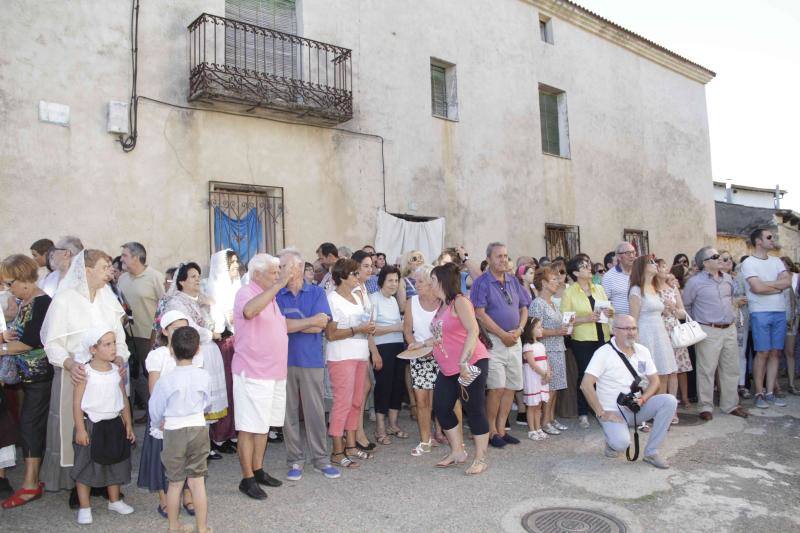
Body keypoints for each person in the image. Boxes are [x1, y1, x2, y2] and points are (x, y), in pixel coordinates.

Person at [40, 249, 129, 508]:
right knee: (79, 429)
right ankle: (79, 482)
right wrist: (68, 362)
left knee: (108, 427)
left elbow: (119, 337)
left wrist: (120, 358)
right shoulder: (65, 299)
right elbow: (52, 341)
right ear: (87, 271)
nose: (110, 272)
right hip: (76, 374)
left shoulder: (107, 297)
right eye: (104, 268)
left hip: (106, 375)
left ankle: (106, 479)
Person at [275, 248, 340, 481]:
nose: (280, 271)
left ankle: (321, 459)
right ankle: (294, 460)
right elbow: (277, 326)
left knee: (315, 411)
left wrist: (293, 323)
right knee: (288, 413)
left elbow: (320, 325)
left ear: (299, 268)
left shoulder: (316, 293)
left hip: (311, 360)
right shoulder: (276, 295)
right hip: (283, 361)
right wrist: (308, 321)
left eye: (284, 266)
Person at [580, 314, 677, 469]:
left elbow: (655, 381)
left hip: (636, 406)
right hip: (612, 410)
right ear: (614, 330)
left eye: (633, 328)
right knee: (621, 444)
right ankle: (612, 443)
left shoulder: (642, 351)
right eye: (625, 329)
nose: (631, 332)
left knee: (669, 401)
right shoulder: (603, 353)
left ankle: (652, 452)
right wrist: (602, 412)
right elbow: (585, 385)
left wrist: (643, 399)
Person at [232, 254, 290, 500]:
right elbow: (249, 311)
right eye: (274, 272)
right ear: (257, 274)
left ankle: (258, 470)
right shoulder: (246, 292)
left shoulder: (271, 297)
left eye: (279, 272)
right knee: (248, 426)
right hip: (253, 372)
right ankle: (246, 478)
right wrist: (278, 286)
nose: (278, 276)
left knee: (263, 425)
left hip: (274, 372)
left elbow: (279, 328)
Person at [138, 310, 205, 517]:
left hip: (186, 415)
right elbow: (154, 389)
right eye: (175, 328)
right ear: (165, 331)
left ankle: (187, 494)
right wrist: (162, 417)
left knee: (187, 457)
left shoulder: (194, 355)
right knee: (162, 456)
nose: (180, 333)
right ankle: (163, 498)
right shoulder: (157, 355)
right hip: (164, 414)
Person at [0, 255, 52, 508]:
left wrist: (2, 348)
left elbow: (31, 341)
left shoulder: (41, 302)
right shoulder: (26, 300)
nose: (8, 288)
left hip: (39, 376)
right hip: (28, 377)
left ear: (23, 279)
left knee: (31, 427)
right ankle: (31, 481)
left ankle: (31, 484)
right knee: (29, 426)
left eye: (10, 282)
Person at [149, 326, 212, 533]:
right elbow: (207, 402)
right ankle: (202, 528)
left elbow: (155, 408)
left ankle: (174, 526)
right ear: (197, 351)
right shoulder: (204, 376)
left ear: (171, 350)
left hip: (174, 430)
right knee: (197, 481)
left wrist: (158, 422)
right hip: (197, 428)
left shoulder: (165, 381)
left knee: (175, 483)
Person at [429, 263, 491, 475]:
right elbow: (441, 335)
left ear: (443, 282)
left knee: (474, 408)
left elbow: (473, 330)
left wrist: (464, 361)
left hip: (470, 363)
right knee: (441, 406)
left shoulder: (460, 302)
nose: (431, 284)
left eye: (433, 280)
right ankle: (458, 452)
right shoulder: (442, 306)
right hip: (449, 368)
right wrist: (420, 344)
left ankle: (481, 458)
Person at [70, 327, 135, 525]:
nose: (113, 347)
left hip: (114, 422)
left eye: (114, 343)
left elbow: (123, 398)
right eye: (107, 344)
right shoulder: (85, 372)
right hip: (91, 425)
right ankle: (84, 506)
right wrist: (80, 429)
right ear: (93, 349)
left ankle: (114, 500)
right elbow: (77, 403)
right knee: (86, 466)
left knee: (116, 462)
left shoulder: (117, 371)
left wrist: (128, 424)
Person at [470, 242, 530, 448]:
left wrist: (520, 329)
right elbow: (479, 313)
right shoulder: (482, 283)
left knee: (511, 387)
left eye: (505, 256)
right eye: (499, 256)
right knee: (496, 387)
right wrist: (502, 334)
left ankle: (502, 430)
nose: (503, 259)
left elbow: (524, 307)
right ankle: (491, 431)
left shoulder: (513, 281)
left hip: (515, 339)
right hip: (495, 341)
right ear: (488, 259)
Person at [165, 263, 227, 456]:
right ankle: (197, 447)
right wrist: (212, 334)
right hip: (194, 352)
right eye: (192, 276)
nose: (197, 279)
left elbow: (221, 322)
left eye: (198, 276)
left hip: (210, 352)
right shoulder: (176, 303)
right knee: (197, 398)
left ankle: (206, 445)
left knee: (209, 399)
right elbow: (189, 329)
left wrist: (213, 306)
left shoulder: (202, 299)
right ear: (181, 281)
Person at [682, 247, 750, 420]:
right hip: (708, 329)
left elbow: (731, 299)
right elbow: (687, 306)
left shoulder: (728, 279)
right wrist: (697, 325)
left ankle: (731, 404)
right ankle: (705, 406)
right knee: (707, 369)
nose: (720, 259)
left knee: (731, 368)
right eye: (715, 256)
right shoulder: (694, 282)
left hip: (729, 328)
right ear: (705, 263)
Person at [325, 258, 375, 469]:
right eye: (354, 274)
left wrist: (367, 328)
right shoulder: (332, 299)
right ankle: (337, 450)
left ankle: (352, 445)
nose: (358, 277)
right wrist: (358, 329)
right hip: (341, 356)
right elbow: (331, 333)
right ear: (342, 277)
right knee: (342, 402)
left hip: (359, 353)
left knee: (356, 401)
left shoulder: (357, 296)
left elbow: (364, 322)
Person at [741, 228, 792, 408]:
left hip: (779, 310)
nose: (773, 239)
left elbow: (787, 282)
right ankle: (759, 393)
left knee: (776, 352)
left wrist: (766, 284)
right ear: (758, 242)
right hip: (760, 311)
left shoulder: (777, 261)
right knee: (762, 352)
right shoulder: (748, 263)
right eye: (769, 237)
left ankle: (770, 392)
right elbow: (756, 288)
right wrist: (776, 287)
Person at [561, 256, 613, 429]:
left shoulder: (598, 288)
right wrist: (585, 318)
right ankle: (583, 411)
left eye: (588, 264)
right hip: (582, 339)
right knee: (585, 374)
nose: (589, 267)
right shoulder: (569, 292)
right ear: (575, 273)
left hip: (602, 335)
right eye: (584, 266)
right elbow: (565, 319)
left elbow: (609, 309)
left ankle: (603, 408)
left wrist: (609, 312)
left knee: (604, 375)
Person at [117, 242, 164, 408]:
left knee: (149, 374)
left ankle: (154, 411)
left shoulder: (155, 277)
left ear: (136, 257)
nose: (121, 259)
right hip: (126, 337)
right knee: (133, 376)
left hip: (148, 336)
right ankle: (141, 408)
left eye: (125, 255)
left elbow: (164, 304)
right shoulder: (122, 279)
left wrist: (157, 334)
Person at [403, 265, 443, 456]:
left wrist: (432, 350)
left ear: (431, 282)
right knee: (421, 400)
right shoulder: (412, 302)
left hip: (442, 355)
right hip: (419, 356)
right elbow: (407, 330)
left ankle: (453, 441)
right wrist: (415, 349)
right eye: (415, 280)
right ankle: (425, 440)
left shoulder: (443, 302)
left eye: (420, 281)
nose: (415, 284)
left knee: (446, 400)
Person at [206, 249, 241, 454]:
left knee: (236, 388)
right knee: (225, 389)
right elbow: (217, 325)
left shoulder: (237, 286)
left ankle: (232, 432)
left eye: (236, 261)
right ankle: (220, 435)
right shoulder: (214, 288)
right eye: (231, 262)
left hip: (238, 342)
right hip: (223, 345)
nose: (235, 265)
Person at [369, 265, 409, 445]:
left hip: (398, 347)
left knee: (397, 386)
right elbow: (371, 330)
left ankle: (393, 424)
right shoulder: (373, 299)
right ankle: (380, 428)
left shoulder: (393, 301)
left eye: (396, 280)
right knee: (383, 387)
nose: (393, 284)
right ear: (382, 281)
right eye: (390, 280)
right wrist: (396, 327)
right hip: (382, 348)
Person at [529, 267, 570, 435]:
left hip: (558, 347)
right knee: (549, 387)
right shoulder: (538, 303)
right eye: (553, 280)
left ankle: (551, 418)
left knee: (556, 387)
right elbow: (534, 329)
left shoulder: (553, 303)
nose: (557, 283)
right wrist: (556, 331)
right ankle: (544, 421)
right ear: (544, 283)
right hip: (547, 349)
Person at [629, 256, 678, 383]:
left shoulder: (655, 288)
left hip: (660, 333)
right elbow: (633, 319)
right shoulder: (636, 290)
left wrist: (669, 308)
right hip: (646, 335)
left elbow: (661, 312)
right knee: (649, 375)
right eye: (651, 262)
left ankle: (662, 402)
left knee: (664, 372)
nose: (655, 264)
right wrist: (636, 344)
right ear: (642, 267)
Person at [655, 259, 692, 420]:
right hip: (659, 330)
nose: (663, 269)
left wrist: (674, 308)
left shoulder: (672, 288)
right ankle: (660, 408)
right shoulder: (651, 289)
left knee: (674, 372)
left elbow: (683, 313)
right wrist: (663, 309)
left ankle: (673, 409)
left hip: (674, 331)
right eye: (660, 266)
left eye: (664, 266)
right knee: (661, 371)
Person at [350, 250, 376, 452]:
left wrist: (373, 350)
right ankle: (355, 431)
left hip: (362, 344)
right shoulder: (351, 289)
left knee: (363, 387)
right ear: (356, 268)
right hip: (350, 345)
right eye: (366, 266)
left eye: (371, 266)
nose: (370, 269)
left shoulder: (365, 288)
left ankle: (355, 429)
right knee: (358, 389)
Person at [521, 318, 549, 441]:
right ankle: (532, 429)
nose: (541, 329)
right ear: (530, 330)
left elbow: (546, 360)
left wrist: (548, 372)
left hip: (542, 377)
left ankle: (538, 428)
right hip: (533, 378)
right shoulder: (527, 346)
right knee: (532, 405)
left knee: (539, 405)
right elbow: (532, 364)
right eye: (538, 327)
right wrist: (544, 374)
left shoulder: (541, 345)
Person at [780, 257, 799, 394]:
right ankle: (776, 387)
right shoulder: (775, 278)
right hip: (777, 318)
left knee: (790, 352)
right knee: (774, 353)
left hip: (792, 318)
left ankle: (792, 384)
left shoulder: (796, 277)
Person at [602, 242, 637, 315]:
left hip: (640, 321)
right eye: (627, 253)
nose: (632, 256)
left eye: (633, 252)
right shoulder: (609, 276)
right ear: (618, 257)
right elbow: (604, 302)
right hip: (620, 323)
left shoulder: (640, 273)